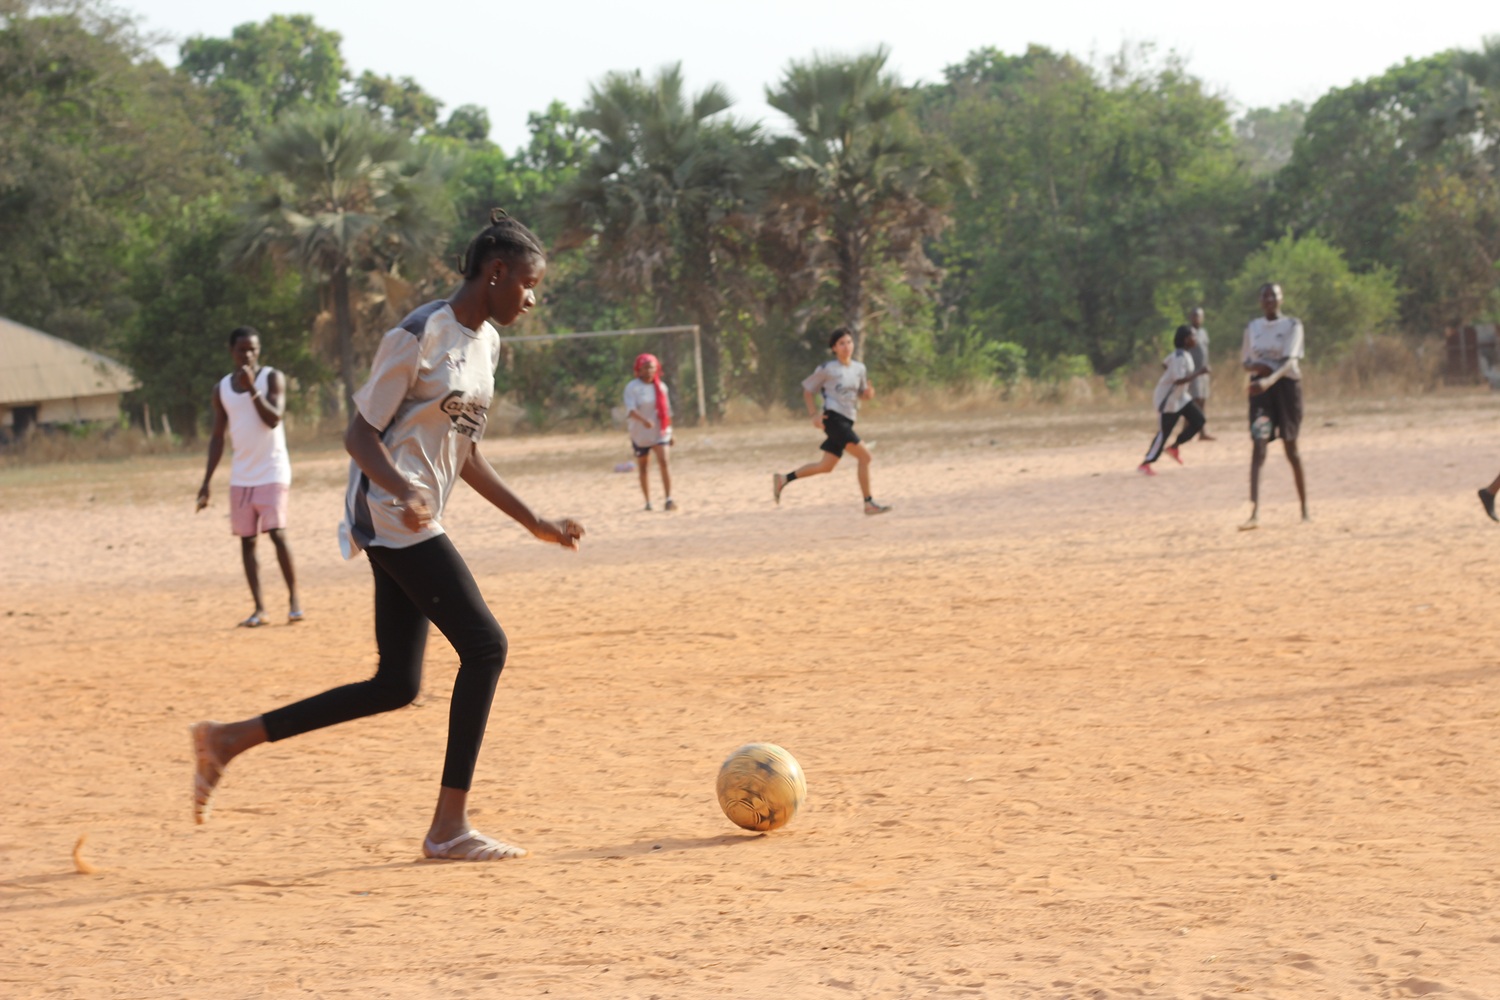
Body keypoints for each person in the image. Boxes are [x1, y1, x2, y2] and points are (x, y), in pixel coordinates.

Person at [190, 209, 584, 862]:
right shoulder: (418, 334)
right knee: (486, 646)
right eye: (528, 283)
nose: (531, 298)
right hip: (388, 513)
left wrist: (533, 521)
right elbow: (359, 436)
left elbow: (466, 454)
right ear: (496, 273)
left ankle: (227, 740)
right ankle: (448, 828)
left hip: (415, 516)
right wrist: (403, 490)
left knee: (396, 684)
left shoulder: (487, 345)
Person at [196, 326, 303, 627]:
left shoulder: (271, 378)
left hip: (273, 469)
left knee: (277, 533)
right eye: (242, 349)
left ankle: (294, 602)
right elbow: (218, 437)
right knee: (247, 541)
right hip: (242, 476)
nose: (248, 354)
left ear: (259, 351)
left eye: (253, 349)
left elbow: (274, 419)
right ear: (232, 352)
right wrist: (206, 482)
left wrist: (253, 388)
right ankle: (259, 609)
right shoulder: (222, 389)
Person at [772, 328, 890, 515]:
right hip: (834, 419)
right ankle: (868, 503)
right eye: (841, 343)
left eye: (849, 342)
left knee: (826, 466)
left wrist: (868, 394)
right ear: (834, 348)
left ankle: (783, 479)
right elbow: (808, 390)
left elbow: (861, 394)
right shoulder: (827, 368)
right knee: (865, 457)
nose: (846, 346)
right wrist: (813, 415)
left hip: (848, 420)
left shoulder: (859, 368)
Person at [1240, 282, 1309, 529]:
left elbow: (1289, 361)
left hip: (1286, 389)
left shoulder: (1293, 325)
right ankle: (1254, 512)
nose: (1269, 300)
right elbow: (1246, 361)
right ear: (1260, 301)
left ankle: (1304, 509)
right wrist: (1256, 369)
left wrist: (1269, 379)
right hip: (1261, 394)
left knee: (1291, 449)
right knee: (1259, 446)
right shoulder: (1253, 327)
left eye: (1274, 296)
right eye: (1265, 296)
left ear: (1281, 299)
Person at [1137, 326, 1207, 475]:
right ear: (1186, 339)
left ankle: (1174, 447)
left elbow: (1165, 363)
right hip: (1168, 399)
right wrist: (1199, 373)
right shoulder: (1179, 356)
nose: (1195, 339)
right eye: (1193, 336)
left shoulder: (1182, 354)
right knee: (1164, 432)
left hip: (1181, 397)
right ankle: (1146, 463)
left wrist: (1169, 373)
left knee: (1199, 420)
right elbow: (1178, 380)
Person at [623, 353, 675, 511]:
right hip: (640, 434)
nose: (648, 371)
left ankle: (669, 499)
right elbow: (631, 410)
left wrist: (670, 431)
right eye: (645, 367)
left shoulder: (661, 387)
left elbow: (667, 411)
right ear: (639, 369)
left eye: (651, 367)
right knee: (644, 467)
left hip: (660, 431)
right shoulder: (632, 387)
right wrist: (644, 421)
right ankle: (648, 501)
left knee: (664, 461)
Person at [1182, 306, 1215, 441]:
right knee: (1192, 402)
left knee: (1202, 401)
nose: (1197, 318)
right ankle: (1186, 432)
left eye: (1199, 316)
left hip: (1204, 372)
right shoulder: (1188, 332)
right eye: (1195, 315)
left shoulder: (1203, 332)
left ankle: (1202, 432)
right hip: (1193, 372)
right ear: (1190, 317)